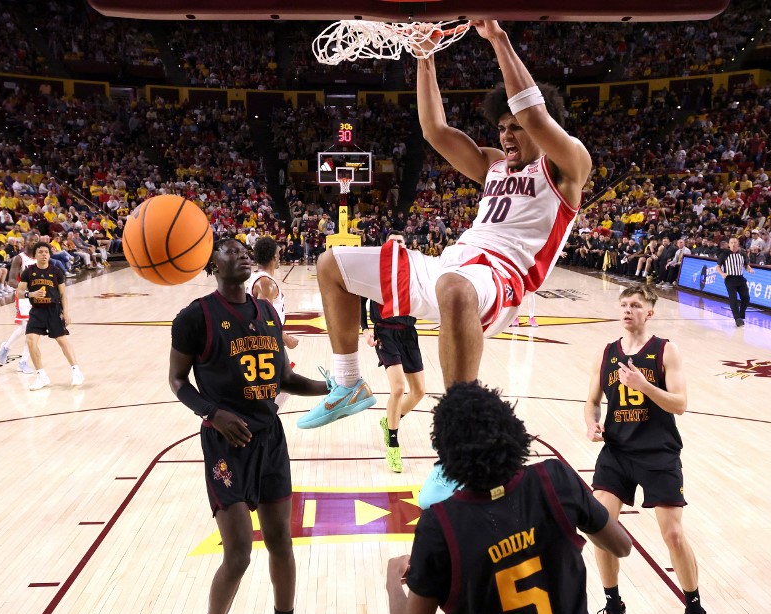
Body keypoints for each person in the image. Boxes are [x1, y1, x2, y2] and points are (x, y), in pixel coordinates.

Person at [298, 19, 591, 432]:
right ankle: (348, 385)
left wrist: (498, 39)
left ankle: (458, 432)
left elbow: (535, 112)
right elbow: (435, 130)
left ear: (544, 131)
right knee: (332, 264)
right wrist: (424, 54)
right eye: (502, 127)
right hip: (452, 265)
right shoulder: (493, 165)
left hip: (501, 280)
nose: (507, 135)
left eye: (516, 127)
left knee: (454, 287)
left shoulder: (567, 166)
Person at [387, 381, 632, 614]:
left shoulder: (440, 525)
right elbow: (622, 546)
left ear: (446, 455)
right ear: (511, 429)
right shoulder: (554, 480)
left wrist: (393, 578)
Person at [169, 239, 329, 614]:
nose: (240, 253)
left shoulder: (267, 313)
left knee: (281, 542)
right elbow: (178, 381)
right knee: (238, 552)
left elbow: (284, 379)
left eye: (244, 248)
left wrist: (332, 387)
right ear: (212, 266)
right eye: (229, 249)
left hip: (270, 440)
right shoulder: (195, 317)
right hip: (225, 444)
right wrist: (211, 412)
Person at [584, 285, 708, 614]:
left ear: (649, 312)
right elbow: (591, 401)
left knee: (672, 535)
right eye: (623, 304)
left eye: (635, 305)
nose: (627, 310)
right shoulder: (606, 353)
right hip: (617, 452)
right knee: (600, 527)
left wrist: (643, 384)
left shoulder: (665, 350)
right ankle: (615, 606)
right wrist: (590, 423)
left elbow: (680, 404)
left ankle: (695, 611)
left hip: (658, 453)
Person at [360, 235, 426, 473]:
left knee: (418, 391)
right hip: (385, 333)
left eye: (401, 241)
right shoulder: (377, 271)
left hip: (409, 332)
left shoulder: (413, 269)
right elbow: (361, 299)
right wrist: (365, 329)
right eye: (393, 241)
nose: (398, 244)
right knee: (398, 388)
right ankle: (394, 446)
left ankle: (390, 421)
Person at [15, 243, 84, 391]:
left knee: (62, 341)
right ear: (35, 255)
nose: (44, 254)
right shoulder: (29, 272)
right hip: (37, 311)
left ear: (49, 255)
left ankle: (76, 371)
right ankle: (41, 376)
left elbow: (63, 294)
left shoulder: (56, 271)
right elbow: (19, 292)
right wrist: (31, 294)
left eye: (46, 252)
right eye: (41, 252)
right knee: (30, 340)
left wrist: (66, 312)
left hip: (53, 310)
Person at [248, 236, 300, 407]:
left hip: (260, 338)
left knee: (282, 384)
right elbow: (264, 318)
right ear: (274, 256)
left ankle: (263, 420)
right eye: (278, 252)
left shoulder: (254, 277)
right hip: (267, 340)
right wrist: (285, 338)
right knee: (286, 383)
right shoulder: (266, 283)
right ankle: (264, 421)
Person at [0, 234, 39, 374]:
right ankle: (23, 362)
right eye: (31, 240)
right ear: (24, 242)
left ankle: (6, 347)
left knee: (27, 329)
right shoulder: (19, 258)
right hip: (23, 296)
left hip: (37, 296)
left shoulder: (39, 258)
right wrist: (28, 288)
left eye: (36, 240)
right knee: (30, 329)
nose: (34, 242)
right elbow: (11, 281)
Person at [716, 237, 753, 326]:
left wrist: (749, 269)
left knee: (746, 297)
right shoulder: (724, 254)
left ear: (738, 244)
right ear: (729, 244)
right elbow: (718, 267)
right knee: (733, 299)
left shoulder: (742, 254)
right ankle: (737, 318)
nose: (733, 244)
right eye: (731, 242)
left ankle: (741, 314)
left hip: (740, 278)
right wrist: (722, 273)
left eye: (735, 242)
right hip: (730, 279)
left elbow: (746, 265)